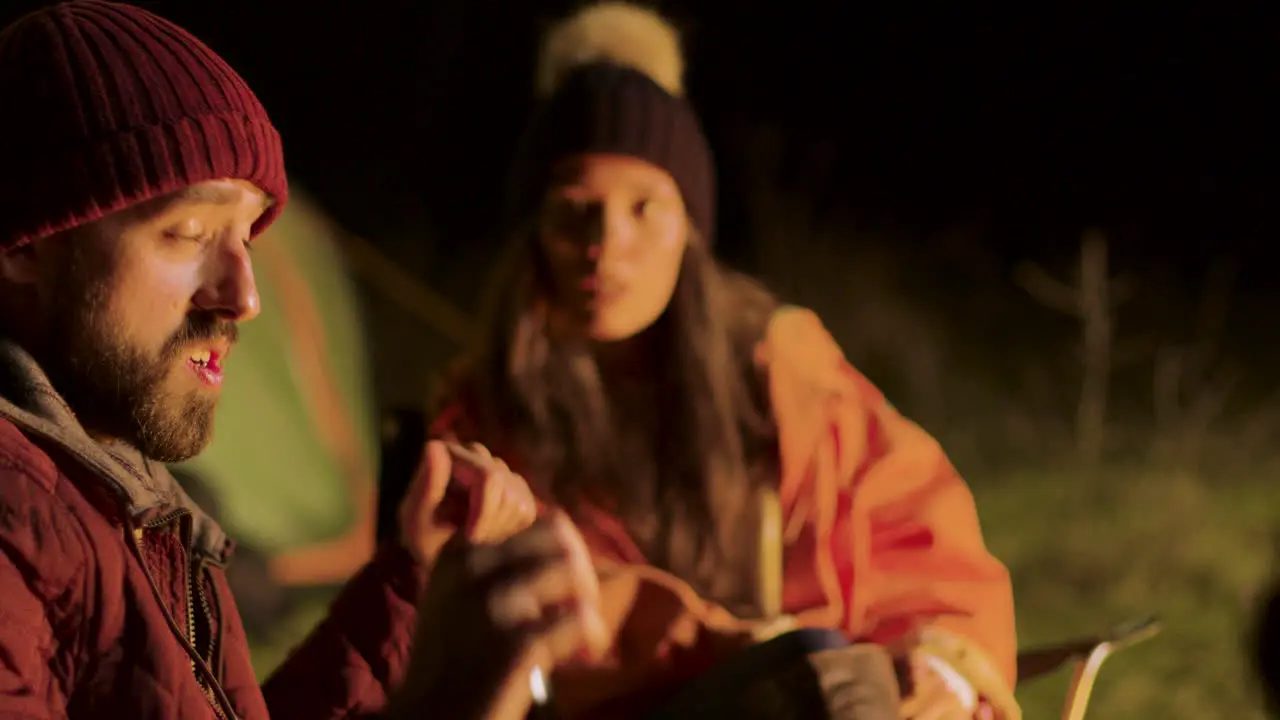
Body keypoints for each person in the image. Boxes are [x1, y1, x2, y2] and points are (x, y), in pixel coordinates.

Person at [0, 3, 603, 718]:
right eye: (187, 232)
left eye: (247, 238)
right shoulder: (19, 527)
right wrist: (448, 701)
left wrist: (412, 585)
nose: (244, 297)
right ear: (23, 248)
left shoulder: (124, 504)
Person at [427, 2, 1021, 718]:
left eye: (645, 207)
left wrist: (941, 665)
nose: (606, 244)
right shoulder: (483, 420)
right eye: (572, 209)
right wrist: (750, 650)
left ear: (690, 228)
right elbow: (513, 628)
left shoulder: (781, 375)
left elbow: (917, 536)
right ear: (535, 231)